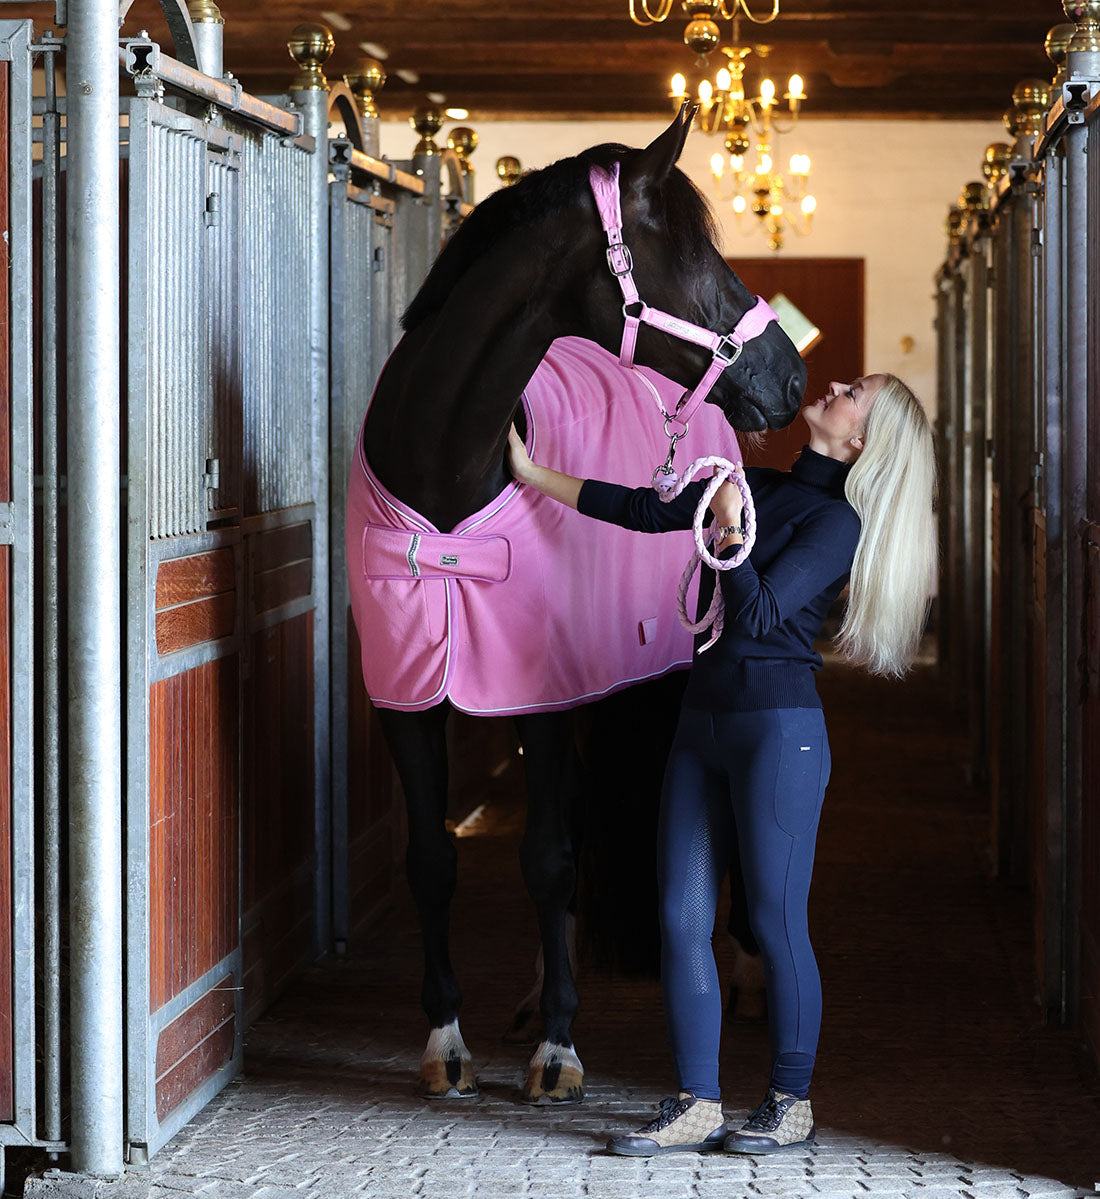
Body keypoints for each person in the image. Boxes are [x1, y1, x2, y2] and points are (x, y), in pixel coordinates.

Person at [507, 373, 937, 1156]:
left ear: (861, 442)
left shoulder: (837, 522)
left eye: (857, 392)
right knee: (680, 916)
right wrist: (531, 472)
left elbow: (764, 611)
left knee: (774, 923)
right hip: (701, 723)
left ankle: (791, 1099)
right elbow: (641, 508)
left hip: (779, 734)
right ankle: (696, 1099)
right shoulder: (754, 484)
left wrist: (734, 535)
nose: (838, 384)